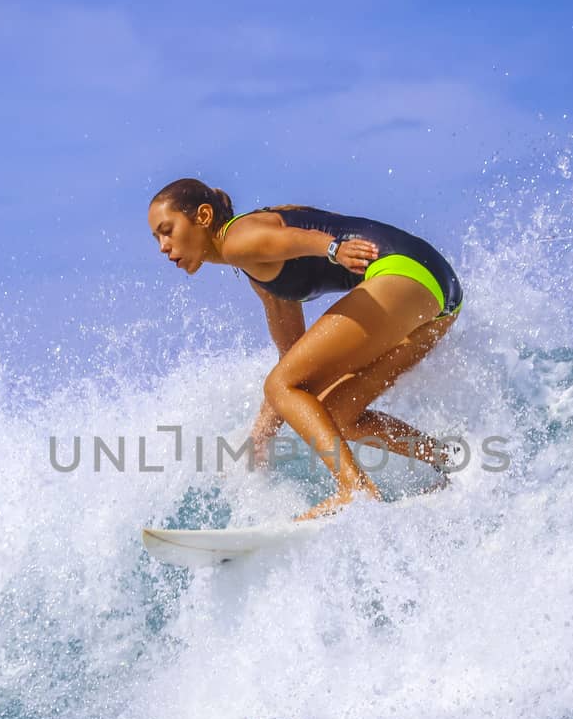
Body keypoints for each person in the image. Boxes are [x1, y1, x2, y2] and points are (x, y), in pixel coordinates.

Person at [148, 179, 464, 519]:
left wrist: (333, 249)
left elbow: (292, 238)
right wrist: (260, 439)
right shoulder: (258, 273)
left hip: (407, 274)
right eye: (157, 238)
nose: (163, 246)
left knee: (281, 384)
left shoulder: (239, 238)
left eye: (168, 230)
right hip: (439, 296)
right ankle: (449, 460)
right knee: (338, 412)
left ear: (204, 216)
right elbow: (294, 364)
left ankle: (354, 491)